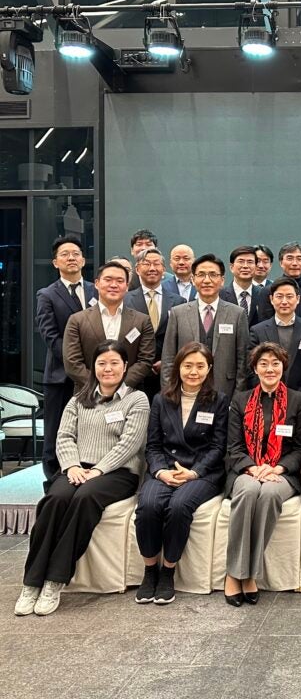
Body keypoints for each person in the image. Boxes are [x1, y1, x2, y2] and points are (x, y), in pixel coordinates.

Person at [15, 342, 148, 616]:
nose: (108, 368)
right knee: (55, 498)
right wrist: (72, 466)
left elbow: (130, 444)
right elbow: (64, 436)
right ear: (93, 368)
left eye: (114, 363)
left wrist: (99, 470)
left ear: (125, 366)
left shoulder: (137, 400)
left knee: (85, 498)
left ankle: (55, 580)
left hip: (118, 472)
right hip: (77, 468)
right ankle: (31, 582)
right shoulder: (78, 399)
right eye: (102, 363)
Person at [134, 342, 228, 604]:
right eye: (188, 366)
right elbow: (152, 446)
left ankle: (168, 572)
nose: (193, 372)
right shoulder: (161, 400)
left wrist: (195, 472)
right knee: (148, 505)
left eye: (200, 366)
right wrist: (161, 471)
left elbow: (219, 446)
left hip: (203, 472)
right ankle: (149, 570)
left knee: (178, 507)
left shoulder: (219, 401)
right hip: (165, 468)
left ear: (209, 369)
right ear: (178, 368)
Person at [224, 342, 301, 606]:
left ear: (283, 367)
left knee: (270, 493)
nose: (270, 369)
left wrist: (278, 468)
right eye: (263, 364)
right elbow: (234, 446)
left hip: (282, 472)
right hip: (246, 469)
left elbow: (300, 447)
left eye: (275, 363)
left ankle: (249, 573)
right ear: (255, 369)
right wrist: (253, 468)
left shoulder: (298, 399)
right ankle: (235, 573)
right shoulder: (240, 400)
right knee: (249, 491)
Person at [36, 235, 98, 482]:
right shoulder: (47, 294)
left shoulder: (96, 290)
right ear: (55, 263)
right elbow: (51, 337)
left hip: (96, 374)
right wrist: (77, 363)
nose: (71, 258)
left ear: (83, 260)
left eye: (75, 253)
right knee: (57, 431)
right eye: (65, 254)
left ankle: (82, 473)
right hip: (61, 376)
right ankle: (53, 479)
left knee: (88, 430)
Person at [160, 253, 250, 400]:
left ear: (222, 280)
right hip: (184, 393)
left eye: (213, 275)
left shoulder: (237, 314)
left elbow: (243, 362)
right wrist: (169, 393)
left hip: (224, 392)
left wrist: (237, 399)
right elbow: (168, 358)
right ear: (193, 279)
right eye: (201, 274)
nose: (207, 280)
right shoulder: (178, 313)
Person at [63, 261, 155, 394]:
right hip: (88, 394)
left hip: (129, 396)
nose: (113, 285)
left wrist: (120, 387)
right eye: (108, 280)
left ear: (127, 286)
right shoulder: (77, 320)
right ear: (97, 283)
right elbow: (72, 363)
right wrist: (99, 387)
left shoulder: (142, 320)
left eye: (119, 281)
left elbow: (145, 361)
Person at [124, 248, 186, 401]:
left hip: (167, 373)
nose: (152, 268)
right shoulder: (125, 300)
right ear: (137, 269)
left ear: (164, 269)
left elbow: (182, 337)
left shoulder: (179, 301)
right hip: (135, 372)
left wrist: (165, 361)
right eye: (146, 264)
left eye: (156, 264)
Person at [248, 277, 301, 402]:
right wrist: (265, 389)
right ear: (271, 299)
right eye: (279, 296)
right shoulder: (257, 331)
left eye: (289, 296)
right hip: (266, 397)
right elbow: (250, 366)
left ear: (297, 299)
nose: (284, 301)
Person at [219, 246, 267, 328]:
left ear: (256, 267)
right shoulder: (220, 295)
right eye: (241, 261)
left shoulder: (264, 294)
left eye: (250, 262)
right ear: (231, 267)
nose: (245, 266)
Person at [270, 242, 301, 320]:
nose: (295, 263)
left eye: (299, 259)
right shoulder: (268, 291)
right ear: (281, 262)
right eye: (290, 258)